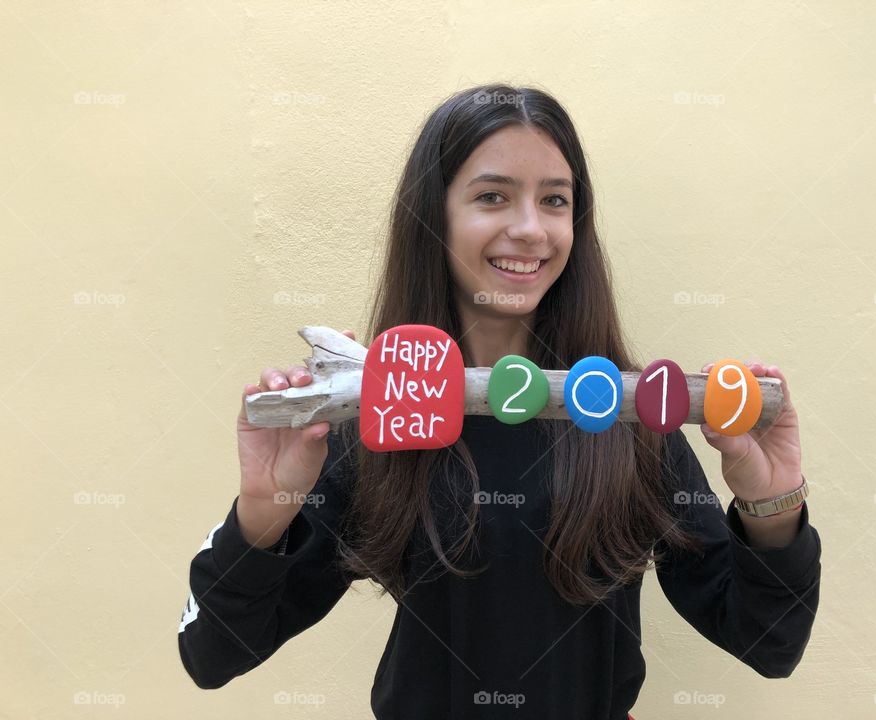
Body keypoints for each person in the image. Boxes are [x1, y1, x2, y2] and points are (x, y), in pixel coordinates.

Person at [177, 84, 821, 719]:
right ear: (435, 216)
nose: (530, 229)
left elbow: (769, 644)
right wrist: (265, 508)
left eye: (555, 201)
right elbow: (212, 653)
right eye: (492, 197)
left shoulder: (628, 418)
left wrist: (772, 501)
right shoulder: (382, 416)